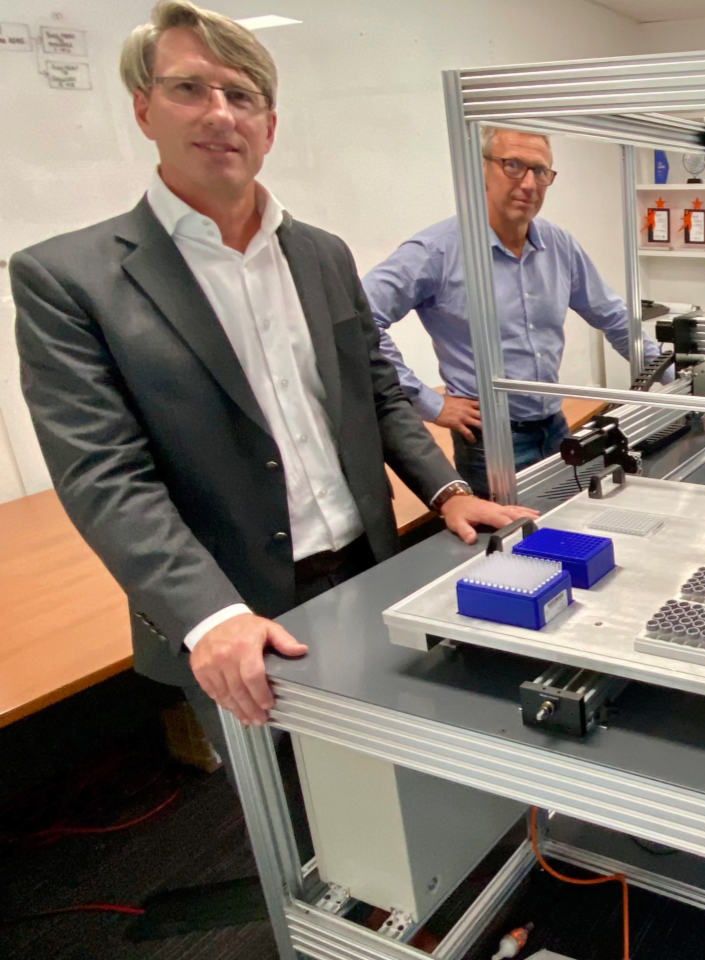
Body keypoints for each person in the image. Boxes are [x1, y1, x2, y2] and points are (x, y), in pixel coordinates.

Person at [10, 1, 537, 762]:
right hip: (236, 605)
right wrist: (207, 614)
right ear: (144, 109)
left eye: (241, 94)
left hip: (368, 568)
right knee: (285, 805)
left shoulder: (322, 254)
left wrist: (448, 492)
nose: (220, 113)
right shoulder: (69, 280)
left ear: (270, 124)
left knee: (394, 782)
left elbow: (376, 391)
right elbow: (104, 476)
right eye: (189, 89)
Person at [363, 127, 664, 497]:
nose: (528, 183)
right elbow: (362, 320)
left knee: (568, 524)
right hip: (489, 443)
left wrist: (670, 376)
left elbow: (612, 316)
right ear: (480, 170)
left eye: (540, 171)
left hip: (555, 427)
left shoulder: (558, 244)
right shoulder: (436, 251)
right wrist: (429, 403)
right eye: (513, 166)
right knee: (512, 533)